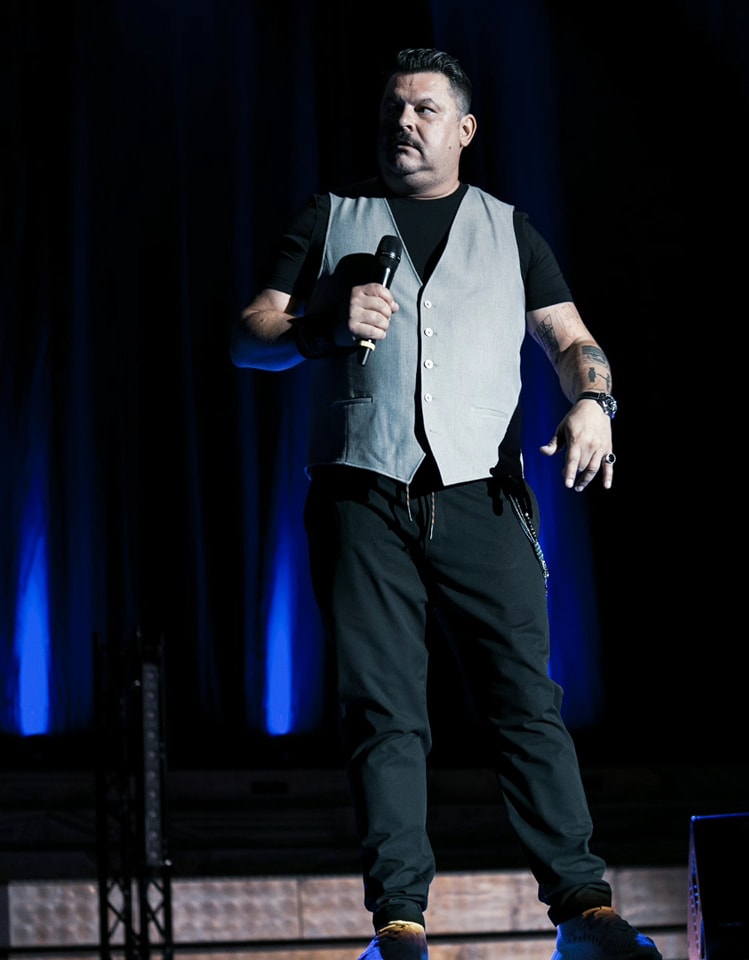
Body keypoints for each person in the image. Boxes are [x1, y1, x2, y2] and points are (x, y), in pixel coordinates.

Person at [232, 47, 661, 960]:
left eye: (425, 108)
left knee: (525, 702)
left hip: (480, 496)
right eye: (393, 107)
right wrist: (317, 327)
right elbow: (250, 332)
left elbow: (570, 339)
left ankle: (583, 911)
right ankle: (399, 923)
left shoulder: (509, 230)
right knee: (383, 710)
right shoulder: (331, 215)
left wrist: (595, 401)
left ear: (464, 129)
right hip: (361, 492)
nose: (404, 122)